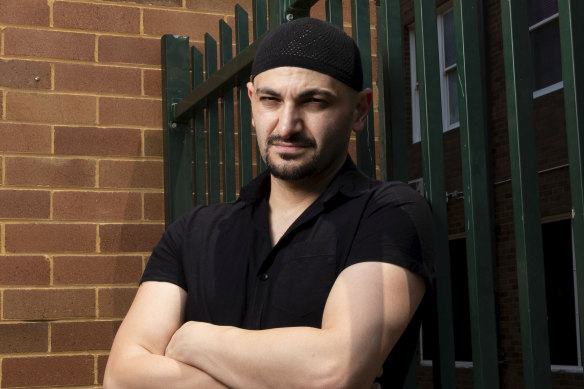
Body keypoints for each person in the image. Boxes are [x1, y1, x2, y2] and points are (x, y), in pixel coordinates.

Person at [104, 17, 434, 389]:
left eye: (314, 101)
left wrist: (194, 340)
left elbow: (334, 372)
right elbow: (122, 377)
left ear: (359, 110)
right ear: (251, 102)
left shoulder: (390, 213)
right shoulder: (191, 233)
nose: (287, 125)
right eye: (271, 100)